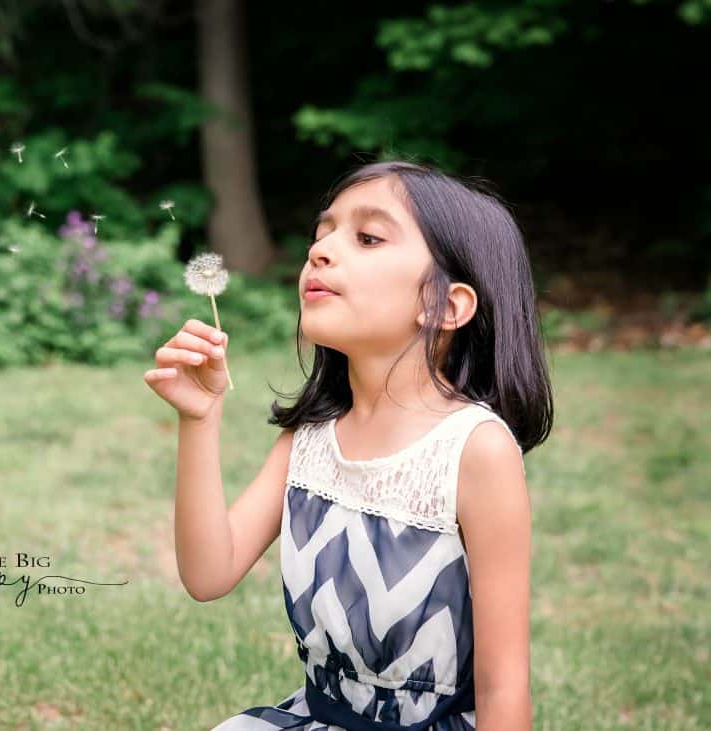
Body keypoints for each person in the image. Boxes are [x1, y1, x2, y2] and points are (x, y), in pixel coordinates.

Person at [143, 159, 553, 730]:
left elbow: (504, 685)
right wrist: (199, 418)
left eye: (368, 237)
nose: (321, 250)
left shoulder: (474, 450)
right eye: (322, 233)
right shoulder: (311, 438)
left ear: (445, 306)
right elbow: (208, 575)